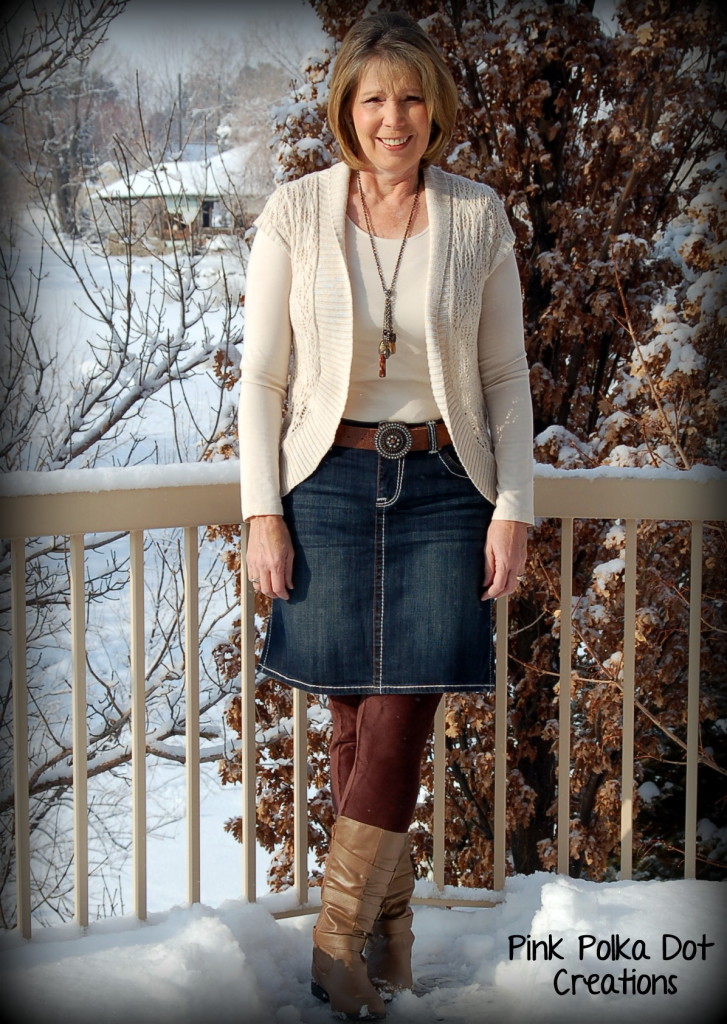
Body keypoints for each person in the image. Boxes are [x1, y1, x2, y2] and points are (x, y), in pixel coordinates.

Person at [238, 11, 533, 1021]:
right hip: (323, 480)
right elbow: (263, 377)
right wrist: (260, 511)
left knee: (400, 710)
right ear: (347, 111)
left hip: (448, 488)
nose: (393, 117)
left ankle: (333, 951)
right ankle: (389, 944)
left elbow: (502, 375)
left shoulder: (475, 214)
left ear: (433, 108)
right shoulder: (295, 210)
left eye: (410, 97)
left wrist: (514, 508)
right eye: (373, 98)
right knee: (351, 718)